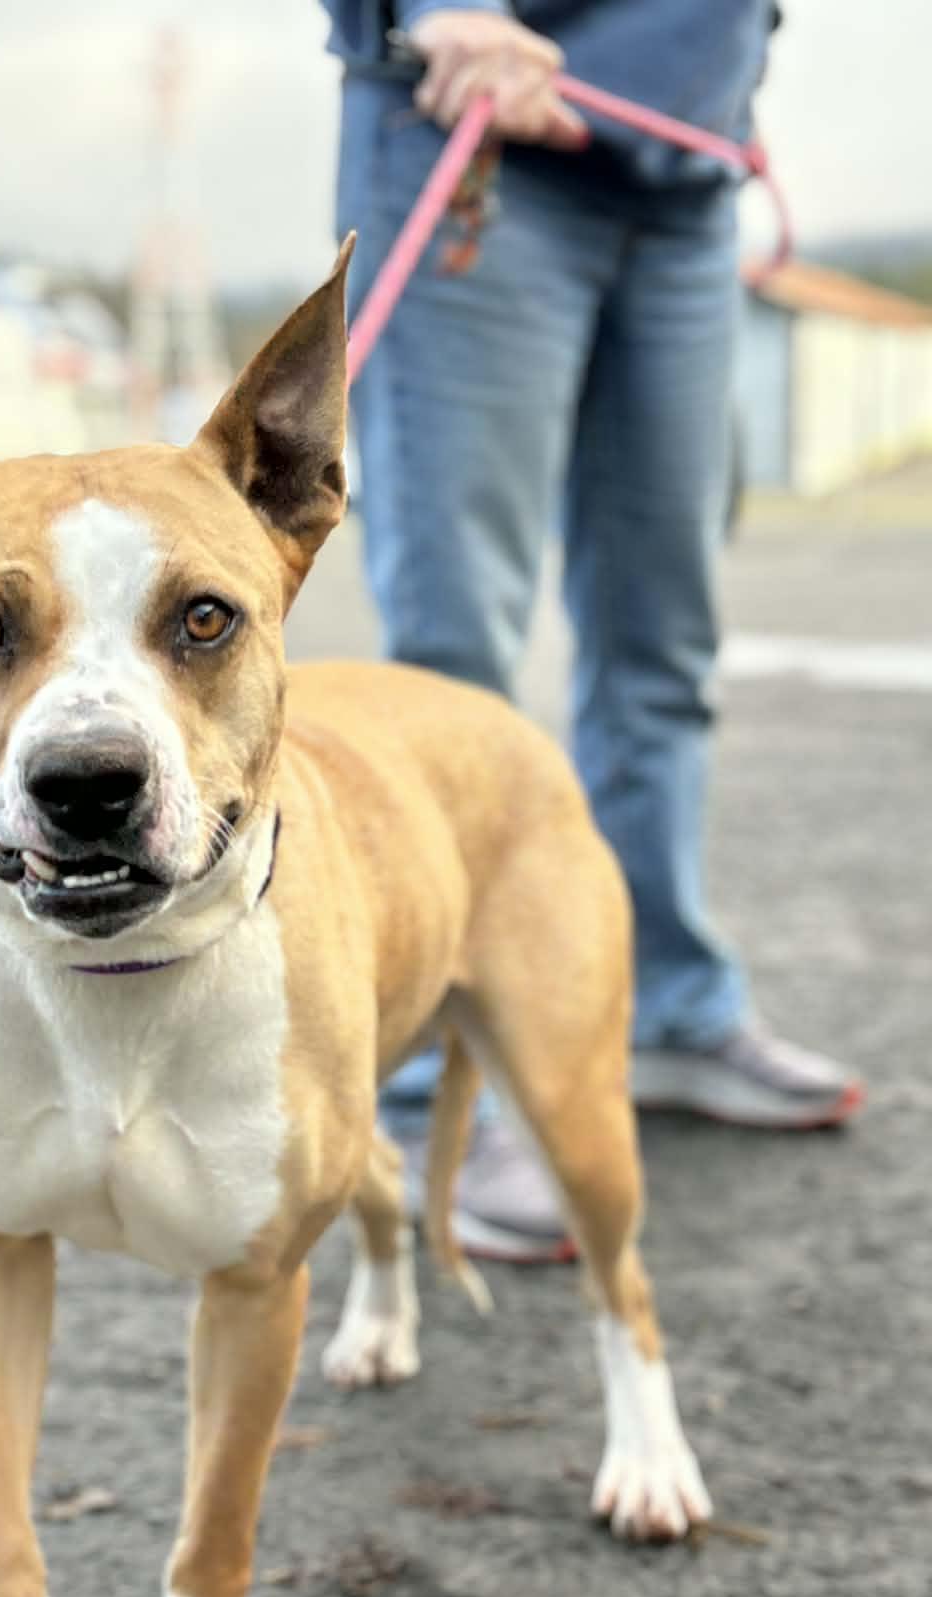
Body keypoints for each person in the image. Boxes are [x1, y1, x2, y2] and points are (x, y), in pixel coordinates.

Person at [323, 1, 862, 1262]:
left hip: (681, 174)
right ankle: (413, 1090)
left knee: (663, 643)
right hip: (477, 139)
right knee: (453, 663)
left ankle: (665, 1003)